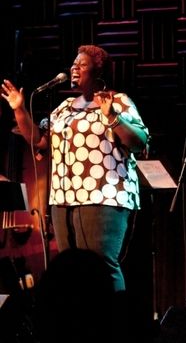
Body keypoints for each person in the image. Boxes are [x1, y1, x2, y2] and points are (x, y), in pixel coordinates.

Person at [1, 44, 150, 294]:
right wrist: (19, 109)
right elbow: (38, 140)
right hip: (64, 199)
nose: (74, 67)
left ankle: (114, 322)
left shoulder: (118, 100)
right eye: (73, 64)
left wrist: (112, 117)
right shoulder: (64, 107)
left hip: (105, 195)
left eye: (81, 64)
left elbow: (139, 141)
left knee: (102, 266)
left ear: (98, 71)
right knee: (71, 270)